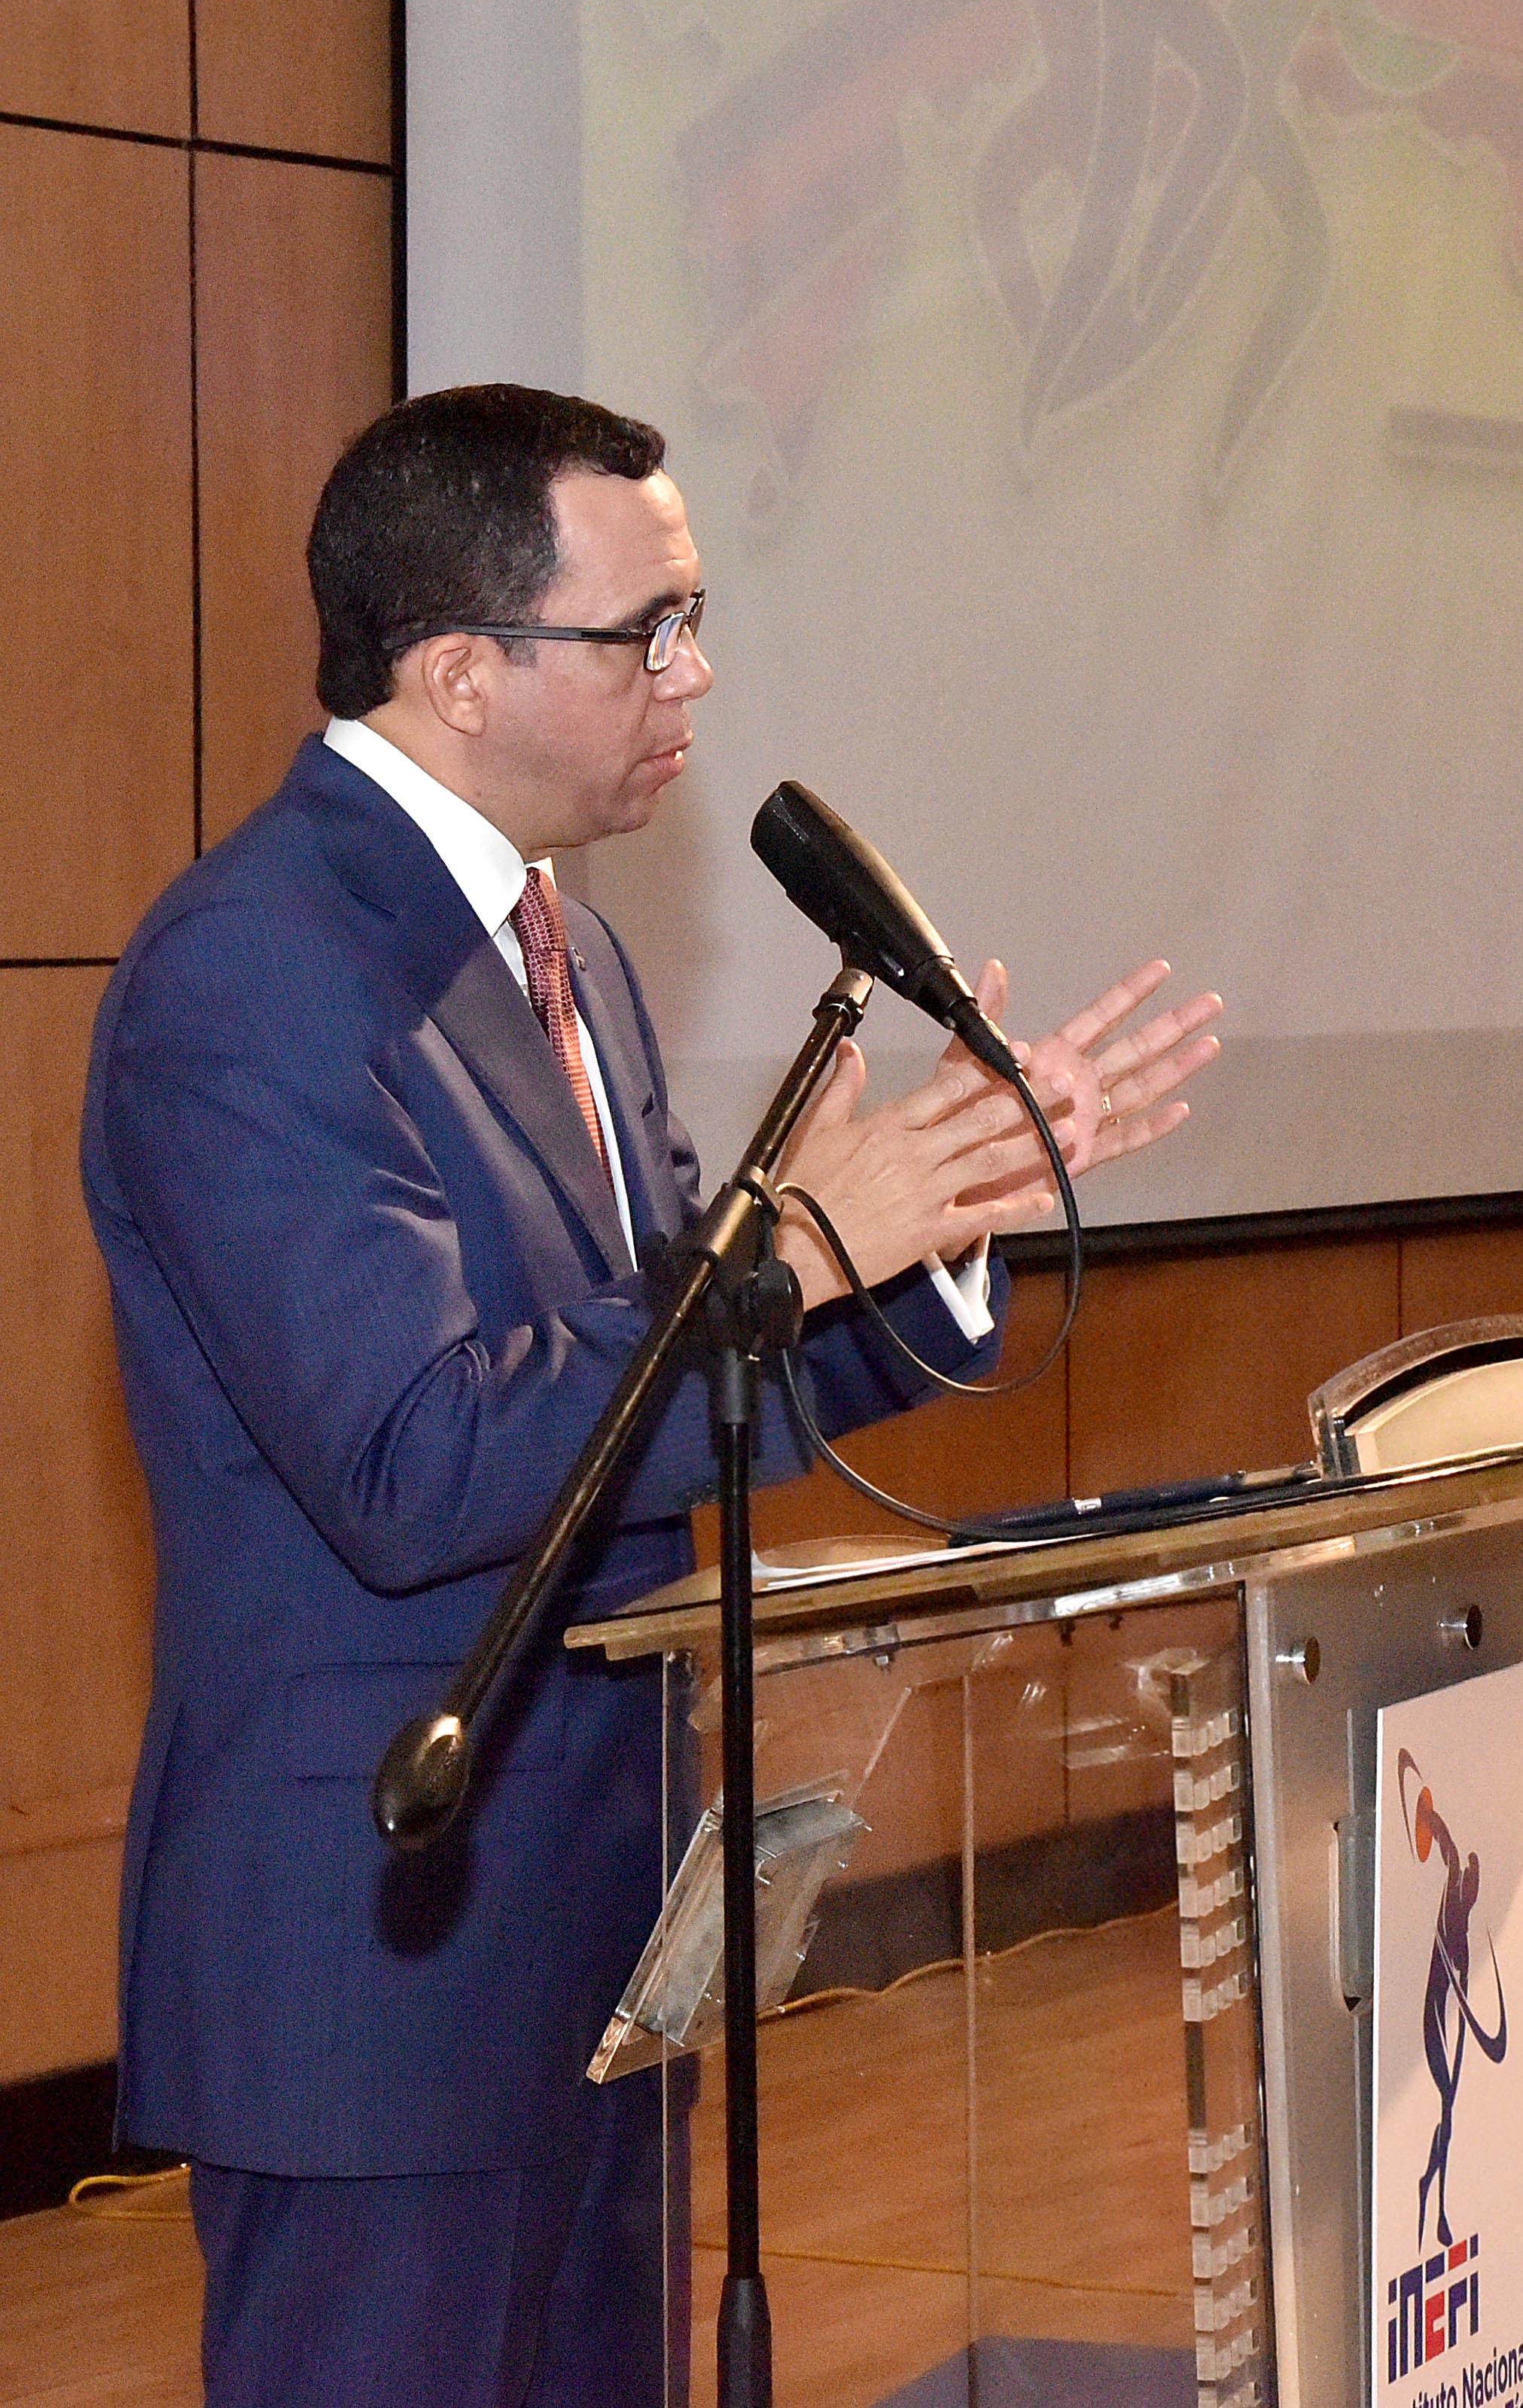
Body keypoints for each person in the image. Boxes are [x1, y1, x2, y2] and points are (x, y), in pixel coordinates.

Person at [82, 385, 1221, 2407]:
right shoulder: (248, 975)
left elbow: (684, 1390)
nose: (694, 674)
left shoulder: (568, 954)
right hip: (378, 1959)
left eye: (696, 617)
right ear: (459, 670)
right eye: (649, 629)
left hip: (605, 1938)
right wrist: (794, 1253)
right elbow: (415, 1456)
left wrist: (933, 1217)